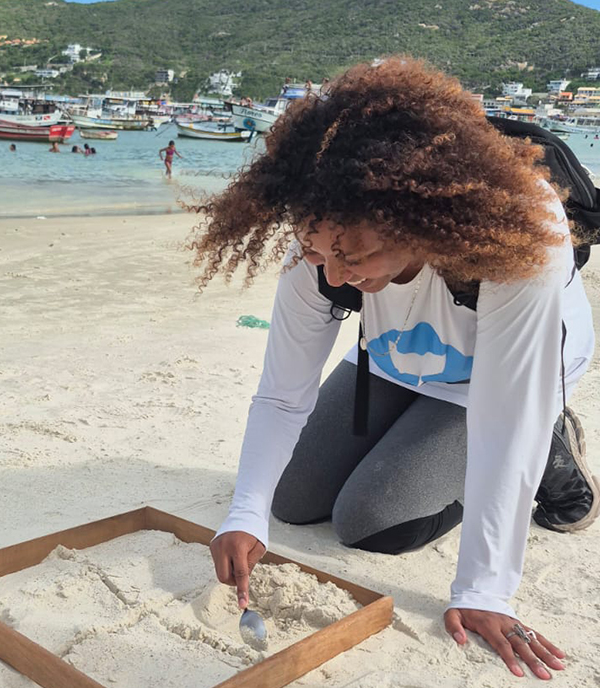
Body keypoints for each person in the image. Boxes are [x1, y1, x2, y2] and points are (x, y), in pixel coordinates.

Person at [196, 56, 594, 681]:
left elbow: (506, 416)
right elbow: (280, 396)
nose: (330, 273)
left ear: (419, 218)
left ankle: (558, 441)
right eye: (315, 250)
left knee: (370, 521)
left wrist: (484, 589)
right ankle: (412, 426)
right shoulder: (324, 227)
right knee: (291, 500)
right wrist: (245, 511)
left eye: (352, 253)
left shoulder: (520, 231)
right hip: (396, 360)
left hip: (504, 378)